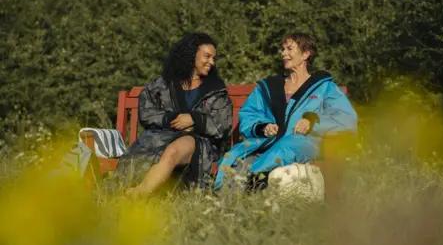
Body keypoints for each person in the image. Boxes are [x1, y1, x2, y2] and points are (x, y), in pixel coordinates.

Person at [213, 32, 357, 191]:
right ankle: (226, 211)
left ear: (306, 54)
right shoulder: (269, 87)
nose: (283, 53)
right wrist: (262, 126)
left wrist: (312, 121)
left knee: (279, 151)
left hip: (303, 145)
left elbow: (345, 118)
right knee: (240, 163)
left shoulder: (324, 87)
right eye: (282, 49)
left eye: (289, 49)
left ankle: (253, 178)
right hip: (265, 146)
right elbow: (249, 114)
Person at [114, 33, 233, 197]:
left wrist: (195, 120)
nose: (211, 62)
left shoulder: (216, 90)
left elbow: (222, 125)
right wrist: (171, 119)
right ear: (192, 55)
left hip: (198, 142)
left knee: (172, 152)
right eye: (207, 56)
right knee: (155, 152)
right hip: (161, 138)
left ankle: (135, 196)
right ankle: (126, 193)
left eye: (214, 58)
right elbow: (146, 112)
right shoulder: (163, 85)